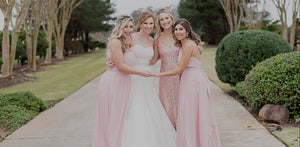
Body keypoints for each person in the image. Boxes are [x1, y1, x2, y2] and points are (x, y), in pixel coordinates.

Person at [154, 18, 220, 147]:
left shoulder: (188, 45)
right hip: (188, 80)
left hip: (193, 81)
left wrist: (158, 74)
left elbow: (180, 69)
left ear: (187, 31)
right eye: (176, 29)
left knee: (193, 112)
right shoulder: (182, 44)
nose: (178, 32)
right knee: (189, 113)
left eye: (181, 29)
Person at [92, 15, 151, 147]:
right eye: (126, 26)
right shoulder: (115, 42)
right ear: (119, 27)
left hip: (124, 81)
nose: (129, 29)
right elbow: (120, 66)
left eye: (131, 26)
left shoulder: (129, 41)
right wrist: (140, 73)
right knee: (114, 117)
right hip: (114, 82)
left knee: (121, 116)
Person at [121, 11, 176, 147]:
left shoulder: (153, 40)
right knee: (135, 106)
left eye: (151, 23)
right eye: (145, 23)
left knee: (150, 106)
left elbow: (153, 60)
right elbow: (120, 54)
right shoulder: (130, 37)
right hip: (134, 77)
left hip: (147, 78)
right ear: (140, 24)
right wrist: (110, 62)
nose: (148, 26)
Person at [150, 8, 180, 129]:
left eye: (167, 18)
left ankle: (183, 130)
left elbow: (190, 47)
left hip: (180, 74)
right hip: (165, 76)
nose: (165, 21)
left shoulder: (179, 33)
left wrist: (198, 49)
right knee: (167, 103)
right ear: (159, 22)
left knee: (181, 102)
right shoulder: (158, 38)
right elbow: (155, 58)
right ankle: (170, 133)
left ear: (172, 18)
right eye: (162, 19)